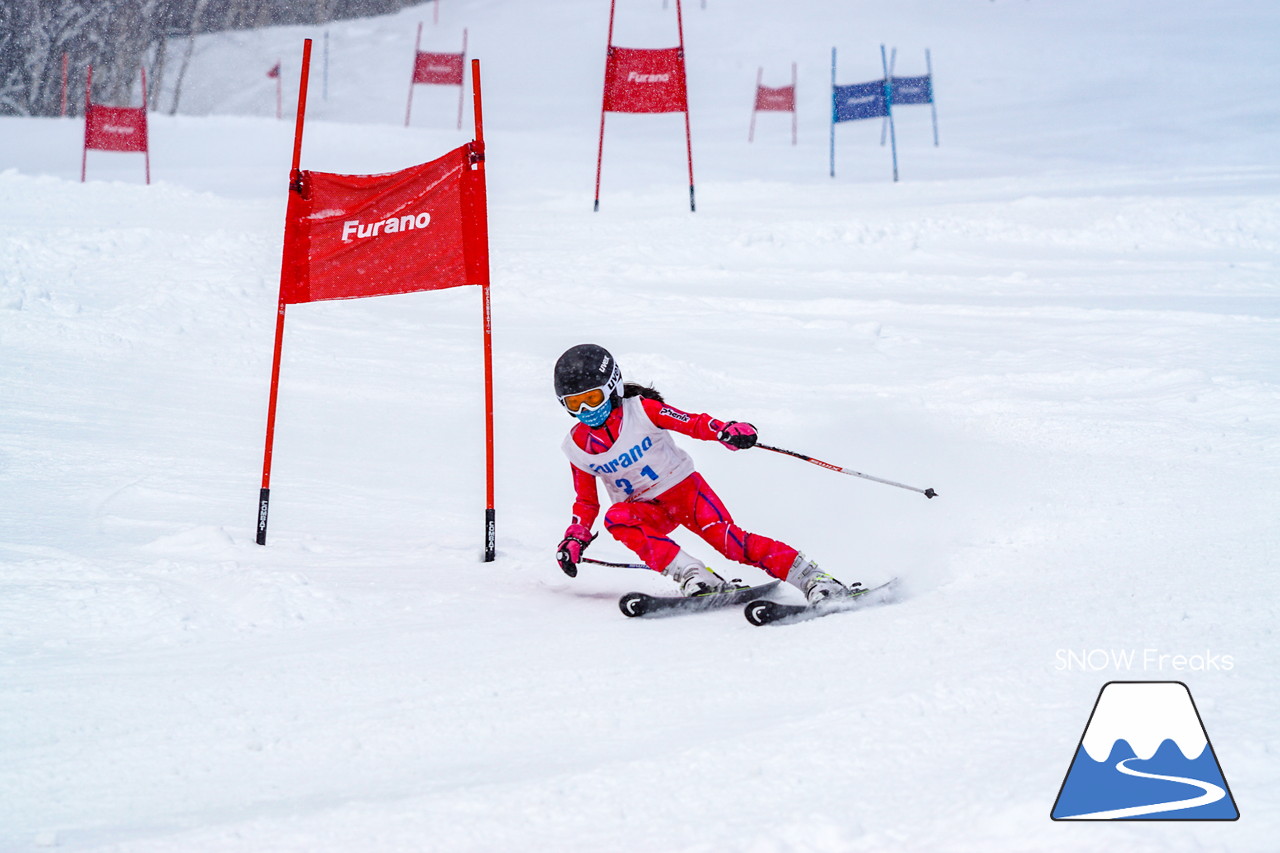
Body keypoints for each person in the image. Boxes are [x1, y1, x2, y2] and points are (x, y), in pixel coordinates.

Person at [552, 343, 855, 601]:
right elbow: (586, 502)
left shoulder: (642, 410)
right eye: (575, 404)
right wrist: (575, 538)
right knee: (616, 517)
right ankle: (695, 576)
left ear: (613, 386)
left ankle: (815, 579)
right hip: (645, 509)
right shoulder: (577, 446)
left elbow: (692, 422)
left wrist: (726, 430)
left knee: (731, 544)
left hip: (685, 493)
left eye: (592, 399)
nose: (586, 411)